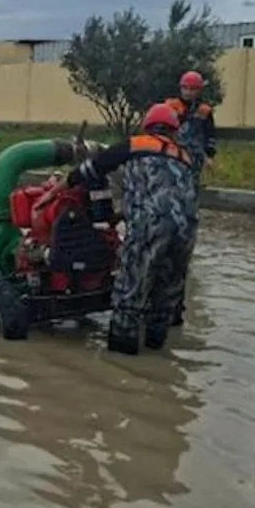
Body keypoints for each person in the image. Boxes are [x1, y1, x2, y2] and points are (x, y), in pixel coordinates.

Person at [65, 103, 199, 355]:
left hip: (151, 223)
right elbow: (171, 194)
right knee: (167, 291)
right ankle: (156, 350)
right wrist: (122, 214)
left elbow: (95, 167)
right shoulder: (185, 156)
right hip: (187, 228)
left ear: (147, 127)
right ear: (174, 131)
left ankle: (122, 358)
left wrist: (68, 180)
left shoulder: (135, 144)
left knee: (132, 287)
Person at [164, 70, 217, 326]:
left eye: (194, 89)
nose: (190, 92)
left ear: (199, 90)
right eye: (187, 88)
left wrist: (210, 156)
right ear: (181, 88)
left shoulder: (205, 111)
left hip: (193, 161)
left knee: (190, 199)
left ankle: (185, 234)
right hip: (173, 157)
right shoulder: (170, 107)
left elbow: (210, 135)